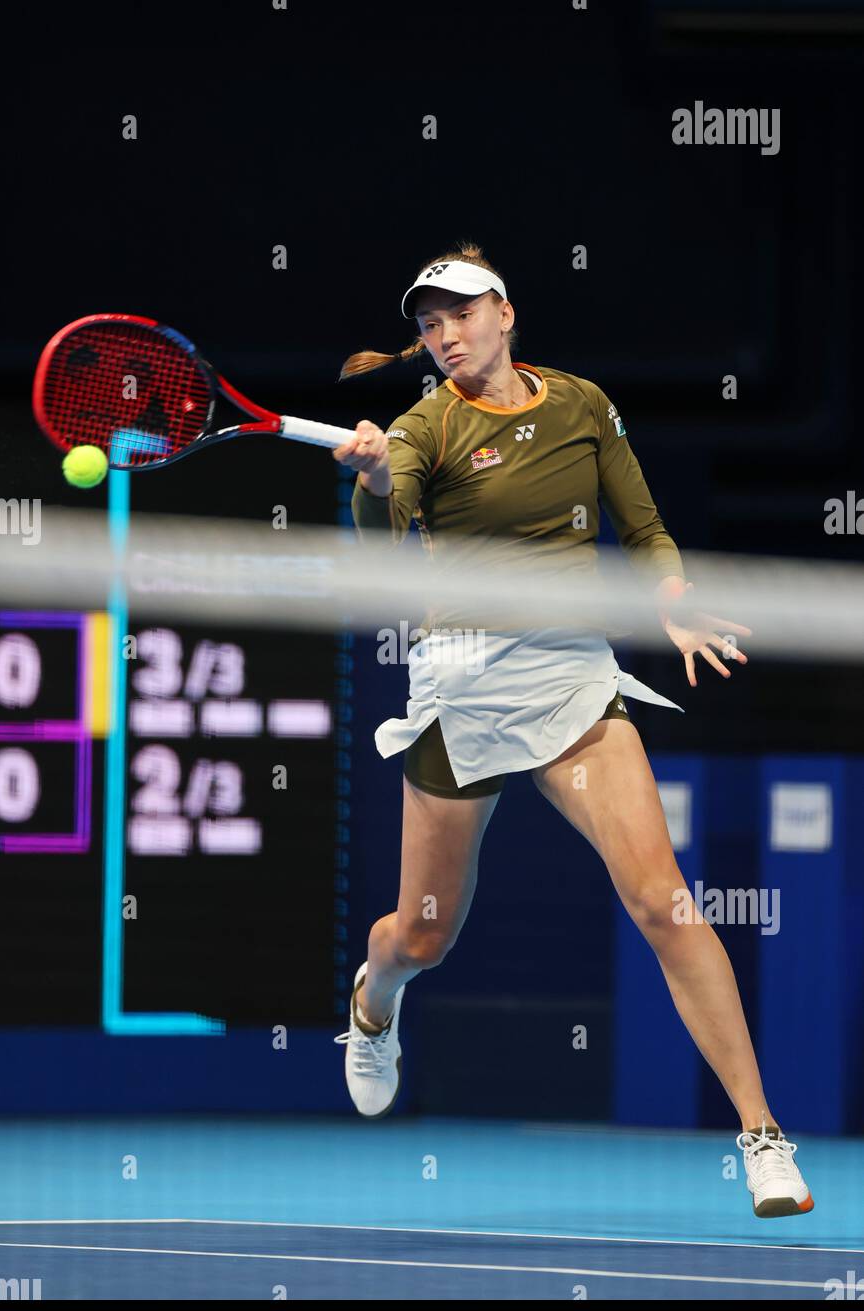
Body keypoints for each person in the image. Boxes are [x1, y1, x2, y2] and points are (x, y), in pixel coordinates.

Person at [332, 243, 813, 1220]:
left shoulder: (581, 405)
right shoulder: (425, 424)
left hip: (568, 678)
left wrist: (669, 600)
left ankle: (761, 1136)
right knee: (422, 936)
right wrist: (378, 476)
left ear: (504, 312)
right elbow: (395, 531)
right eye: (428, 323)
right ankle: (371, 1001)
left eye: (458, 312)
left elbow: (639, 527)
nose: (443, 333)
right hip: (461, 685)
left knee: (663, 902)